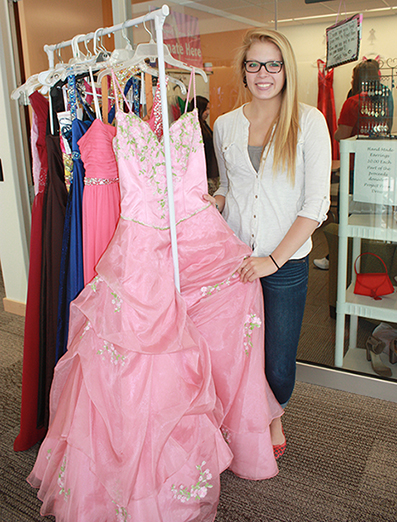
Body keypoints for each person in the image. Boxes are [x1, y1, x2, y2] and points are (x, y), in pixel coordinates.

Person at [204, 28, 331, 451]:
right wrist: (215, 201)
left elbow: (315, 207)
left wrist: (273, 261)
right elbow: (229, 185)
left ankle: (275, 415)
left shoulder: (308, 122)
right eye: (254, 64)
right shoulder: (224, 125)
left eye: (273, 64)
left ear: (286, 70)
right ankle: (247, 417)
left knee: (277, 361)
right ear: (243, 71)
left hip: (285, 265)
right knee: (239, 351)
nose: (263, 73)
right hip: (235, 259)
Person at [188, 95, 220, 195]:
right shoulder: (193, 127)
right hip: (205, 172)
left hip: (210, 169)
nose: (208, 112)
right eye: (206, 109)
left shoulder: (203, 124)